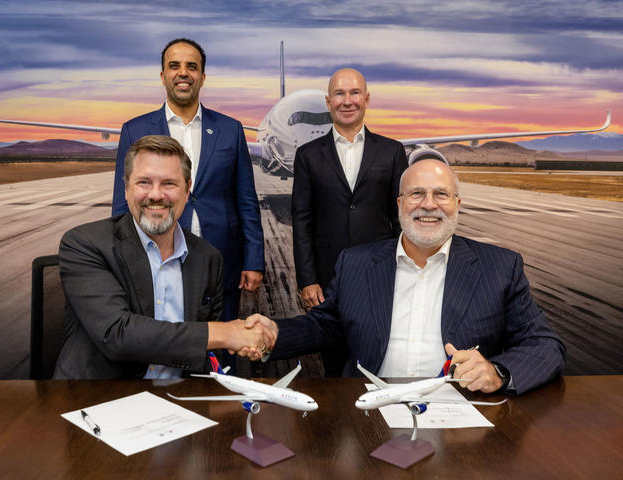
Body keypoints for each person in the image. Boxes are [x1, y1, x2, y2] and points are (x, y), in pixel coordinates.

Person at [247, 159, 566, 395]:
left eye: (441, 194)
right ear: (399, 204)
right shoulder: (356, 263)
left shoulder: (500, 267)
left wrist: (498, 372)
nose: (429, 204)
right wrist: (268, 336)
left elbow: (545, 346)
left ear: (458, 204)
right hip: (369, 407)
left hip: (461, 413)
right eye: (416, 193)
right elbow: (326, 326)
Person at [54, 136, 273, 380]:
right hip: (97, 399)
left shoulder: (209, 259)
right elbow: (117, 335)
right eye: (144, 182)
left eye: (169, 183)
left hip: (182, 399)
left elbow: (209, 356)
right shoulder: (85, 244)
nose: (156, 195)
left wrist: (253, 339)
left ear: (187, 190)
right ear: (126, 188)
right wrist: (226, 333)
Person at [111, 38, 264, 326]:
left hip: (220, 257)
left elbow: (246, 200)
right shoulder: (135, 130)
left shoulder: (230, 130)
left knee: (220, 342)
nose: (183, 73)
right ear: (162, 76)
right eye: (174, 66)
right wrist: (121, 260)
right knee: (164, 338)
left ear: (202, 77)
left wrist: (253, 259)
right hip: (155, 256)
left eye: (191, 67)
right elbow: (123, 203)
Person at [291, 68, 408, 375]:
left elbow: (401, 219)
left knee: (380, 361)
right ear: (328, 102)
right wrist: (307, 279)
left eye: (354, 93)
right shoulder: (307, 156)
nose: (347, 101)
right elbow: (302, 221)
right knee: (333, 365)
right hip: (329, 281)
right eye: (339, 94)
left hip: (382, 275)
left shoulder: (392, 152)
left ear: (366, 99)